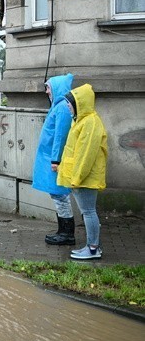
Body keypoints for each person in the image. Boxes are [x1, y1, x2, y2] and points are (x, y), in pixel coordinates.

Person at [57, 84, 108, 260]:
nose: (68, 106)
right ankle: (92, 247)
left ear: (79, 103)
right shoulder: (83, 120)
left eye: (70, 103)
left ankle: (93, 249)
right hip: (80, 177)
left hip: (83, 178)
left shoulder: (90, 123)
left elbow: (86, 154)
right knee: (88, 211)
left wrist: (76, 179)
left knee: (88, 212)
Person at [32, 74, 75, 245]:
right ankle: (62, 231)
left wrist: (55, 160)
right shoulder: (59, 106)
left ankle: (67, 234)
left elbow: (60, 137)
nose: (46, 91)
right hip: (50, 157)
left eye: (48, 87)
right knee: (57, 194)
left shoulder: (62, 108)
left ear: (57, 87)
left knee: (60, 195)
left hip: (54, 159)